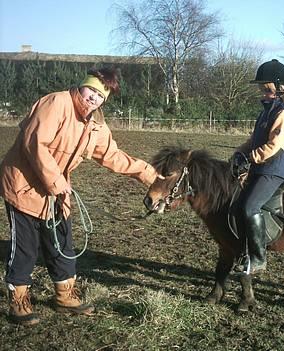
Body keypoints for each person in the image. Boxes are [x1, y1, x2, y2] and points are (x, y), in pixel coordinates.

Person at [0, 67, 162, 326]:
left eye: (101, 95)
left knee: (62, 243)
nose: (93, 98)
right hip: (24, 185)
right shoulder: (57, 103)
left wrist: (149, 174)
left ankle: (65, 296)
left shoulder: (96, 124)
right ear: (81, 87)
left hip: (57, 190)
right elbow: (34, 143)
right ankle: (18, 301)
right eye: (91, 90)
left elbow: (111, 155)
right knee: (26, 247)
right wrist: (56, 181)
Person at [232, 59, 284, 275]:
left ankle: (259, 259)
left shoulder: (283, 113)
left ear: (281, 88)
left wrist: (250, 158)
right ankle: (243, 250)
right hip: (261, 168)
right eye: (261, 88)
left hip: (274, 170)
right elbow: (254, 140)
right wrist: (239, 153)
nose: (262, 92)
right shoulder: (266, 112)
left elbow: (275, 147)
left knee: (251, 207)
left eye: (266, 88)